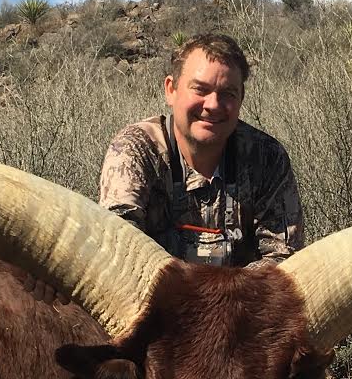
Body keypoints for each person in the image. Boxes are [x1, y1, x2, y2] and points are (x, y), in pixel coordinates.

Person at [100, 33, 305, 267]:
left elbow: (282, 258)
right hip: (157, 299)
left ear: (241, 99)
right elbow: (118, 249)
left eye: (228, 93)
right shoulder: (136, 148)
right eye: (200, 89)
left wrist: (226, 296)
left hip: (242, 301)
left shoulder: (266, 157)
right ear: (171, 90)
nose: (213, 105)